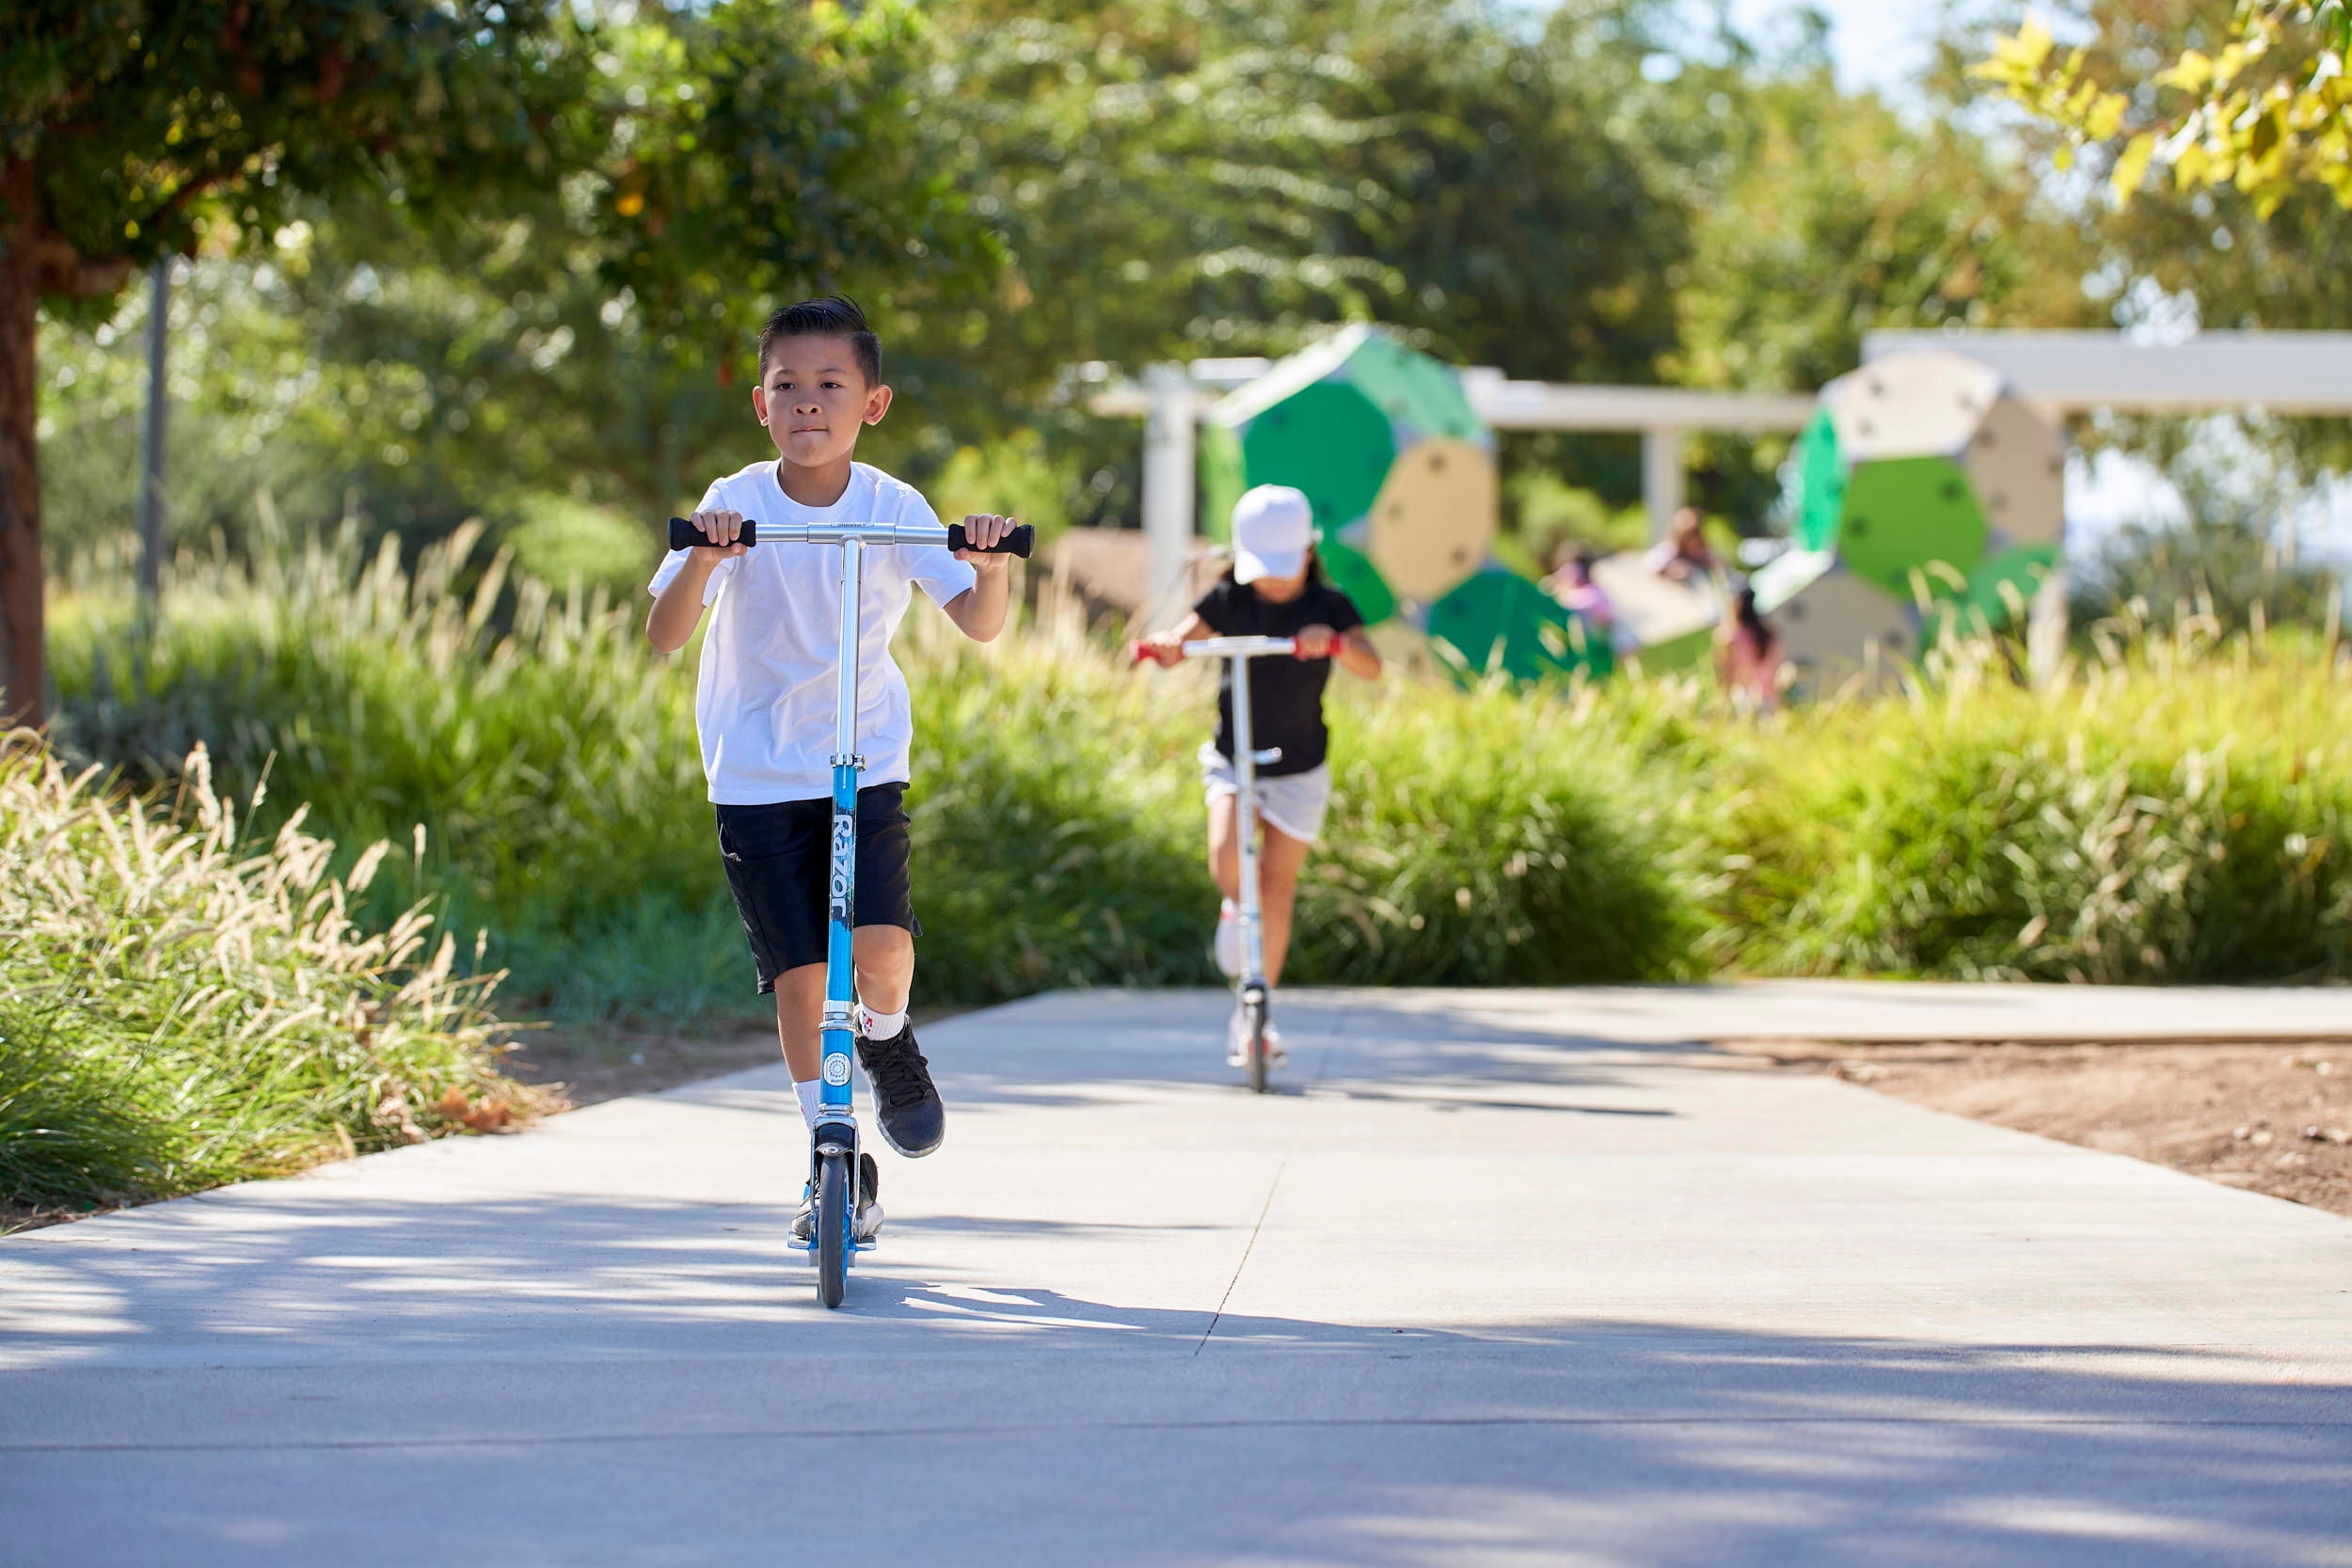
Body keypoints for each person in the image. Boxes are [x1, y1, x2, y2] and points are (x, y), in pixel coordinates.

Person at [645, 294, 1019, 1243]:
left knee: (883, 947)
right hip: (756, 767)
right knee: (804, 971)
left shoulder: (894, 506)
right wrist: (704, 554)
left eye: (829, 385)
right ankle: (829, 1146)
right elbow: (662, 636)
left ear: (873, 402)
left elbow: (977, 619)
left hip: (862, 756)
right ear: (760, 404)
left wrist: (992, 560)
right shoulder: (737, 501)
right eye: (786, 386)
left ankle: (890, 1045)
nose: (807, 403)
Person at [1137, 485, 1382, 1065]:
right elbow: (1186, 636)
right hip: (1234, 753)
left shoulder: (1330, 604)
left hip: (1299, 765)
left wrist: (1337, 644)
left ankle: (1258, 1011)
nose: (1272, 582)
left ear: (1308, 552)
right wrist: (1170, 646)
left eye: (1284, 567)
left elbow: (1371, 664)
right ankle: (1233, 905)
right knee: (1227, 858)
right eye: (1262, 569)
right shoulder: (1230, 598)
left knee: (1276, 885)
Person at [1715, 585, 1783, 714]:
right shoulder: (1769, 634)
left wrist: (1724, 696)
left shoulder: (1730, 635)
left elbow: (1725, 668)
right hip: (1768, 698)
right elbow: (1776, 668)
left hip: (1743, 697)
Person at [1645, 507, 1720, 586]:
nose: (1692, 541)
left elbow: (1718, 568)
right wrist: (1671, 570)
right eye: (1688, 535)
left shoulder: (1703, 553)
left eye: (1695, 534)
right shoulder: (1669, 550)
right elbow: (1651, 565)